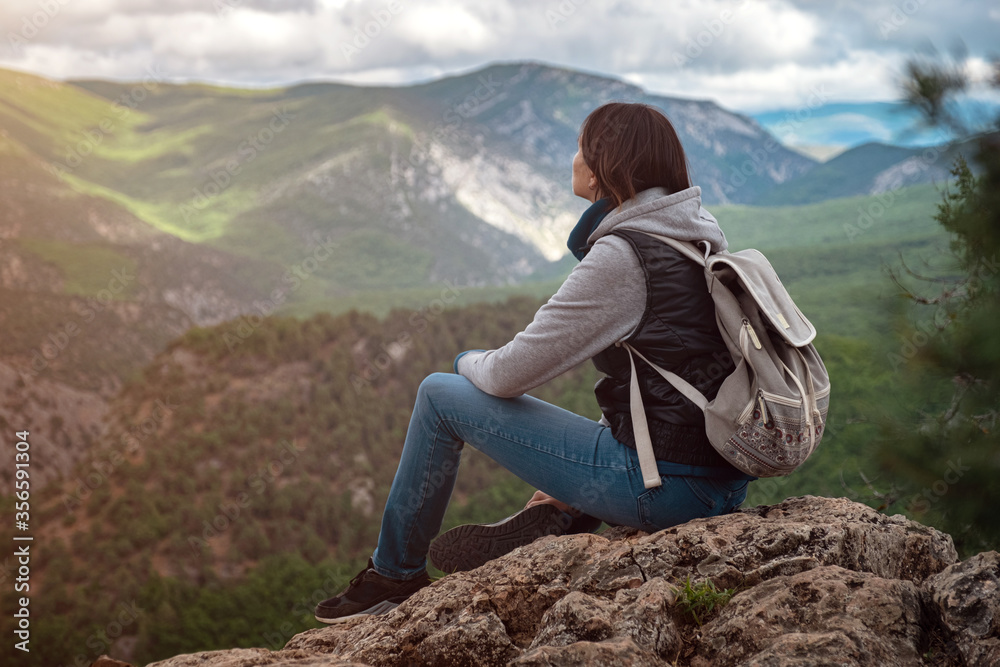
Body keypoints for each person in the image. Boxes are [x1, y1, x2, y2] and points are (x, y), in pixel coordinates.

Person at [314, 102, 755, 624]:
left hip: (664, 490)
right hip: (720, 481)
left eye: (580, 148)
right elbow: (664, 379)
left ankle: (394, 575)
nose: (572, 159)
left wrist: (465, 360)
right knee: (592, 441)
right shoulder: (693, 236)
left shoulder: (624, 255)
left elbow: (505, 376)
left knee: (438, 392)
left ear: (602, 167)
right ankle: (567, 506)